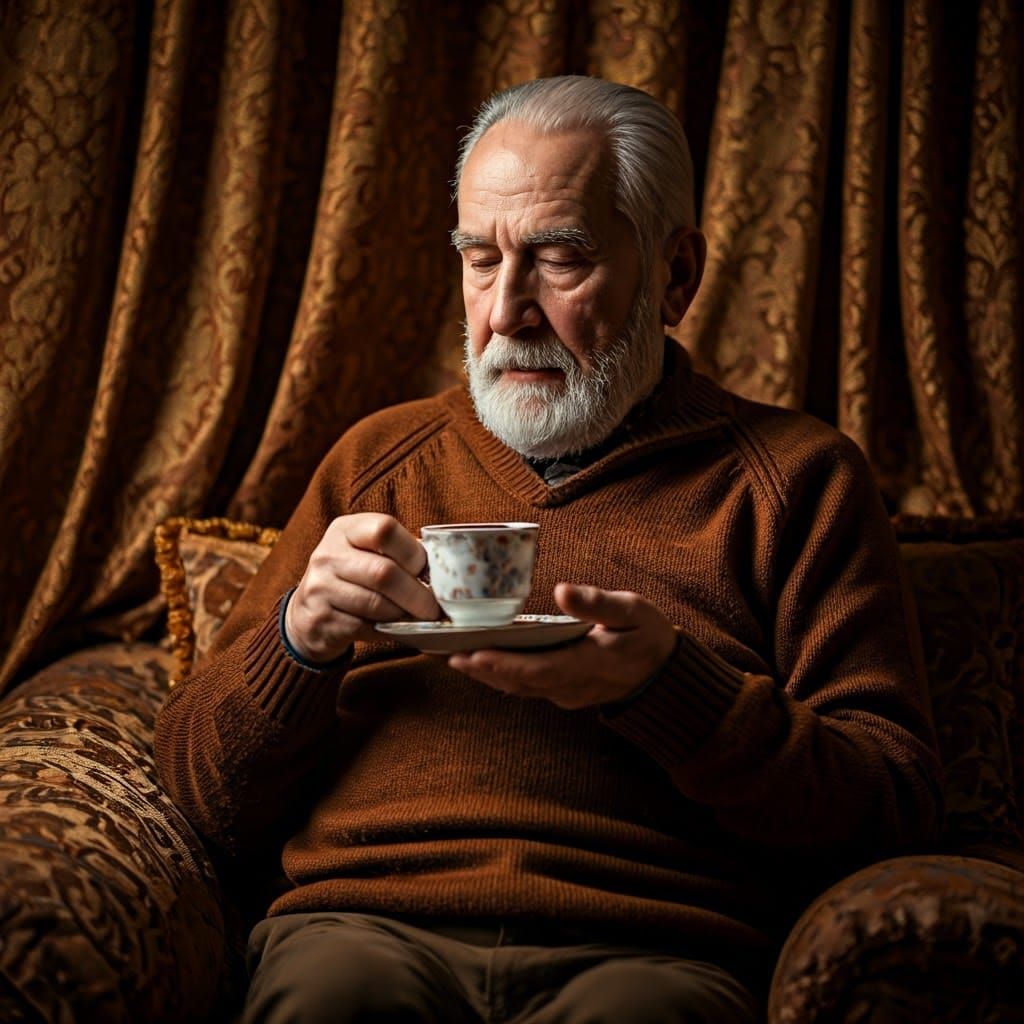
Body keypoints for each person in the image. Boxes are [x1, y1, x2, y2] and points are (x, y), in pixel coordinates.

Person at [154, 76, 942, 1023]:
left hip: (653, 946)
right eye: (481, 260)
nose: (506, 311)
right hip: (364, 925)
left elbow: (890, 806)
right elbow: (198, 796)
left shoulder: (796, 481)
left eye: (559, 258)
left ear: (675, 276)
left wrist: (675, 692)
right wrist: (296, 645)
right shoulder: (377, 460)